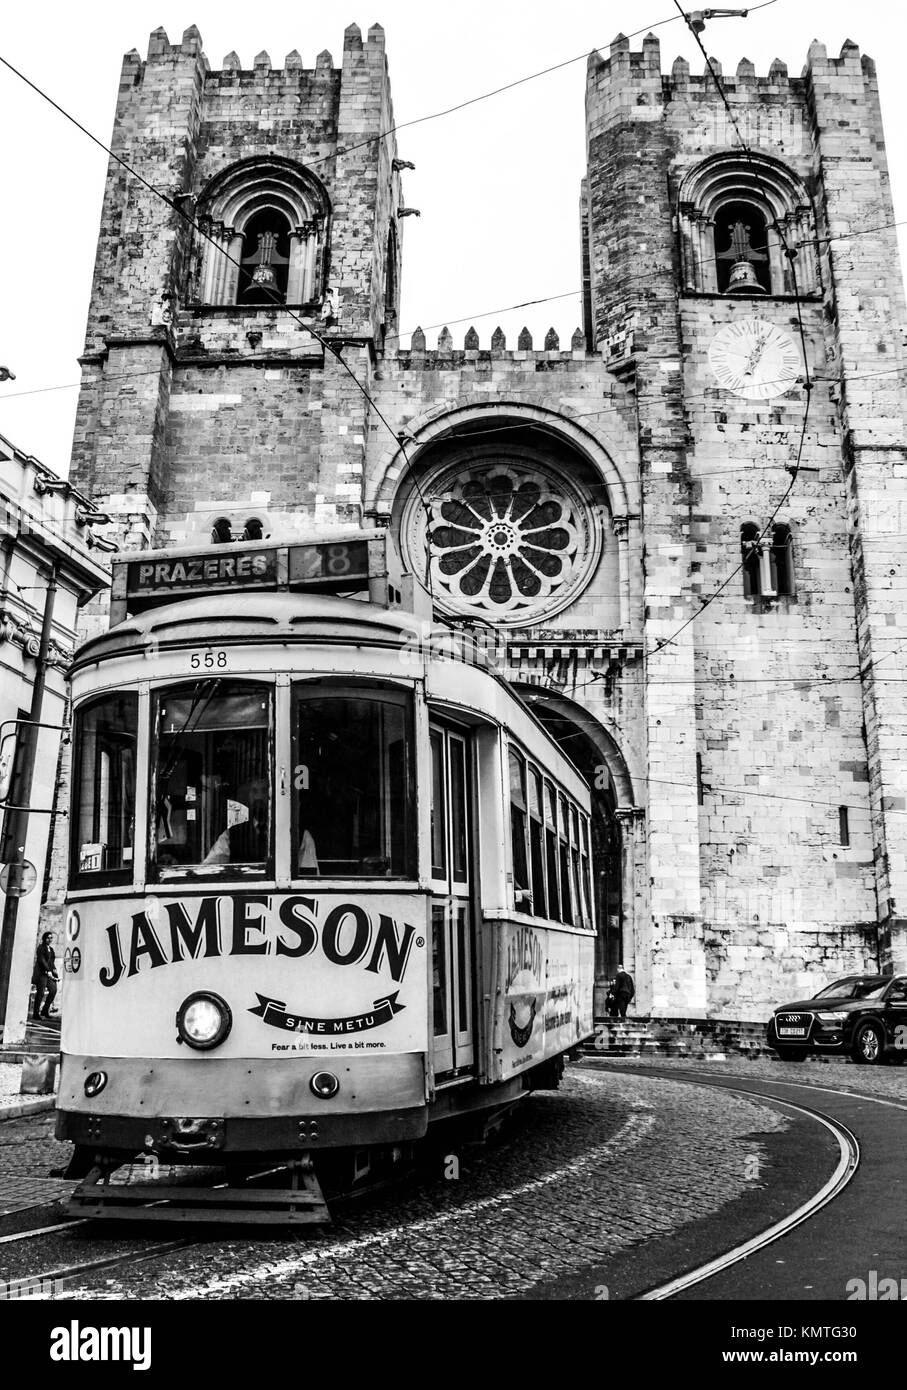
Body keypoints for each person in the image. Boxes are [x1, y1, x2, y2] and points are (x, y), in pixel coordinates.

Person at [32, 932, 59, 1020]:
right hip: (41, 974)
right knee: (40, 993)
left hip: (49, 974)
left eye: (51, 938)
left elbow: (51, 962)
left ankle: (44, 1010)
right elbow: (42, 960)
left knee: (53, 990)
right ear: (44, 938)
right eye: (48, 938)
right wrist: (48, 970)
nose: (50, 939)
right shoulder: (40, 948)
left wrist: (55, 971)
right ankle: (35, 1014)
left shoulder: (51, 949)